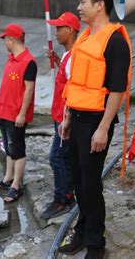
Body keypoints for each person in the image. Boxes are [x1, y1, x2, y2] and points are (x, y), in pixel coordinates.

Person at [58, 0, 132, 259]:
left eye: (82, 2)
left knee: (91, 184)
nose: (78, 7)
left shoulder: (114, 41)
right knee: (78, 181)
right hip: (76, 118)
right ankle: (82, 231)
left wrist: (103, 129)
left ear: (99, 5)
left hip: (95, 122)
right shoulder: (85, 37)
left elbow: (117, 90)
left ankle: (96, 244)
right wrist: (67, 117)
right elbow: (75, 83)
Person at [0, 23, 37, 204]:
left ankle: (16, 185)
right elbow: (5, 87)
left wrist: (22, 114)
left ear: (11, 40)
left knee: (17, 149)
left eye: (5, 40)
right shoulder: (10, 60)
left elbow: (29, 90)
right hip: (4, 111)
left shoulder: (28, 62)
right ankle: (7, 178)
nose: (5, 43)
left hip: (16, 114)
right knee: (8, 148)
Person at [40, 12, 80, 220]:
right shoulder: (67, 55)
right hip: (60, 115)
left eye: (59, 28)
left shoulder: (74, 57)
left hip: (65, 118)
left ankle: (63, 197)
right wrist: (57, 59)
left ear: (70, 30)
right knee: (63, 157)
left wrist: (67, 120)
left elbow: (74, 91)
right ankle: (65, 193)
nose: (56, 33)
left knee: (57, 157)